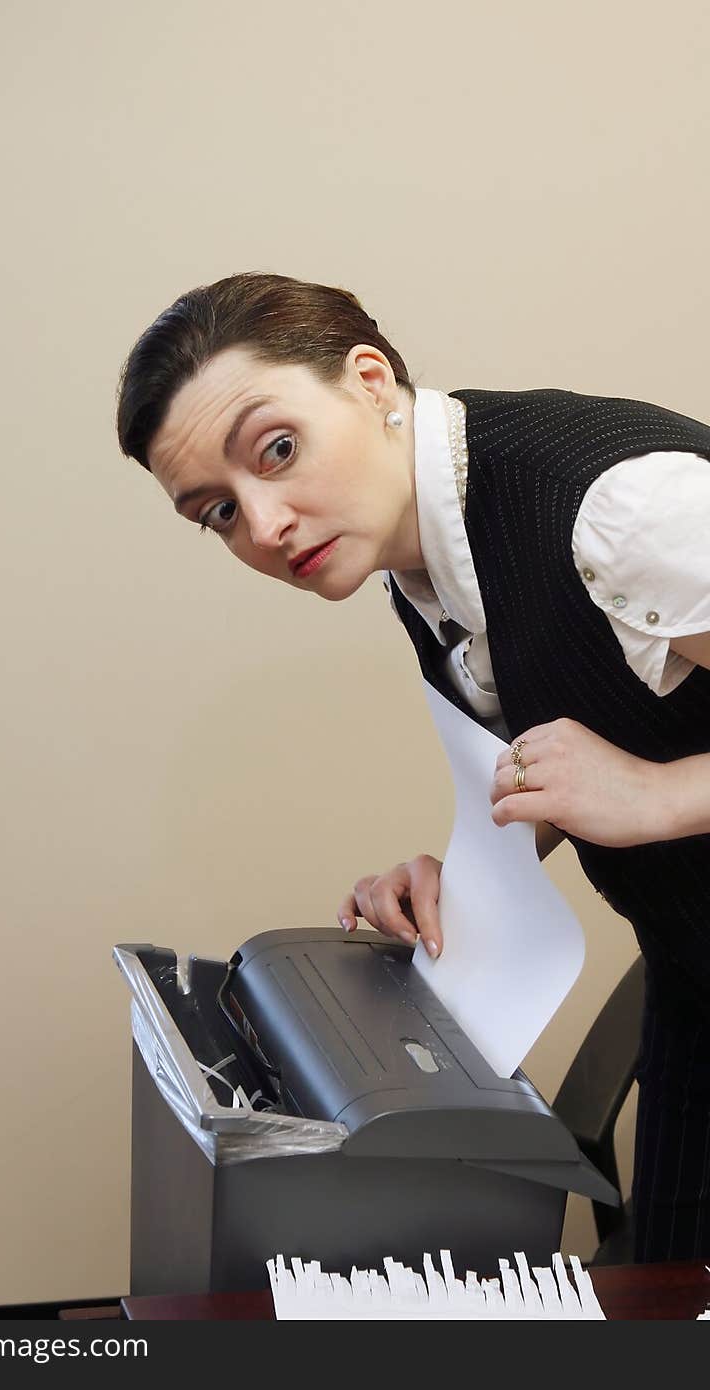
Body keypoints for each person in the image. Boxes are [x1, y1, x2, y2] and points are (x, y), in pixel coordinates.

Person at [115, 272, 710, 1263]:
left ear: (369, 380)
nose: (263, 526)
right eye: (217, 512)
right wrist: (473, 874)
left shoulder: (617, 511)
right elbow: (604, 714)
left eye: (277, 449)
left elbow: (641, 773)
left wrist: (654, 795)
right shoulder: (416, 549)